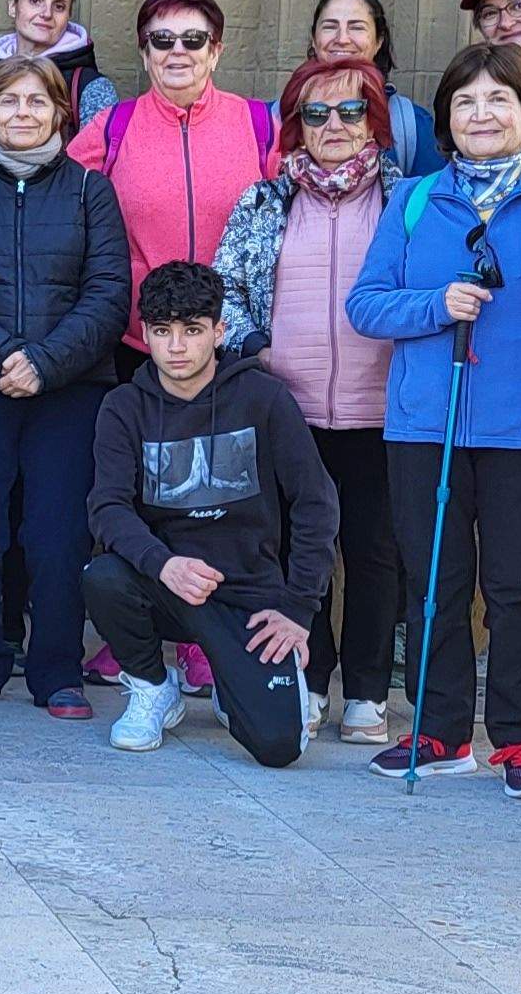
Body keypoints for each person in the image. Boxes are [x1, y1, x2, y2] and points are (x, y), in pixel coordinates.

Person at [344, 43, 521, 799]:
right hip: (429, 423)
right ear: (446, 119)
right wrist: (436, 305)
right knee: (434, 580)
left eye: (499, 101)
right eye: (465, 102)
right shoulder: (415, 200)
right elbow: (365, 304)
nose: (481, 115)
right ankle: (438, 727)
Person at [0, 55, 132, 716]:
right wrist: (7, 355)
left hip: (68, 390)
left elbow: (108, 294)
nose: (23, 114)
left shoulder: (90, 192)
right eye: (8, 103)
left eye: (37, 102)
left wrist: (45, 362)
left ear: (60, 112)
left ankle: (56, 667)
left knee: (57, 533)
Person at [212, 56, 404, 743]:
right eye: (316, 113)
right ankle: (308, 676)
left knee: (376, 551)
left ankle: (369, 692)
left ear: (374, 120)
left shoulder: (406, 200)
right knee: (298, 549)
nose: (334, 126)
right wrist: (256, 350)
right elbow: (225, 288)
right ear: (296, 124)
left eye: (351, 111)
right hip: (286, 408)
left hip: (383, 408)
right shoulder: (263, 200)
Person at [84, 261, 339, 765]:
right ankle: (154, 688)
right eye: (162, 331)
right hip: (167, 585)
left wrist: (298, 608)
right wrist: (163, 564)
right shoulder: (124, 406)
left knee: (277, 747)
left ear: (219, 332)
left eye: (192, 331)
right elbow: (107, 507)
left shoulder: (263, 398)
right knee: (104, 577)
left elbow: (316, 502)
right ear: (145, 335)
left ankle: (233, 683)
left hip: (251, 597)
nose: (176, 347)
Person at [67, 0, 276, 354]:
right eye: (161, 40)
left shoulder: (259, 123)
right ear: (146, 56)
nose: (177, 50)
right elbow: (56, 204)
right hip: (140, 337)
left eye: (193, 40)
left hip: (236, 338)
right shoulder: (112, 126)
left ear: (214, 53)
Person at [306, 0, 439, 174]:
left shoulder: (412, 126)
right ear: (314, 40)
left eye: (357, 27)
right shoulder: (278, 119)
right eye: (329, 26)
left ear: (379, 41)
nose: (342, 39)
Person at [0, 0, 120, 127]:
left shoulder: (90, 87)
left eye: (59, 6)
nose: (47, 13)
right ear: (13, 6)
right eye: (35, 1)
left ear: (68, 15)